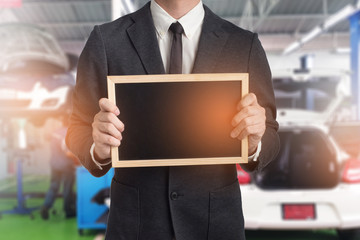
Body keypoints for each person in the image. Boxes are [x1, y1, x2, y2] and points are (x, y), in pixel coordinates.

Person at [66, 0, 280, 239]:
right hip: (136, 225)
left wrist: (254, 144)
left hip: (215, 225)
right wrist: (98, 148)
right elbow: (78, 128)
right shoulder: (106, 41)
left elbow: (271, 132)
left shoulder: (243, 45)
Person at [41, 119, 78, 220]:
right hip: (66, 165)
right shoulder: (68, 133)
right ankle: (68, 211)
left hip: (54, 164)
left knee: (54, 186)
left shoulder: (55, 133)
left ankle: (46, 206)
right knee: (67, 188)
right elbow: (68, 153)